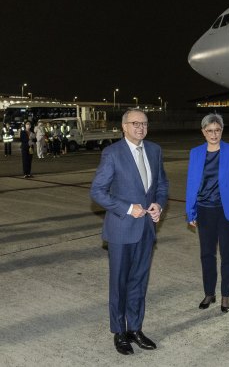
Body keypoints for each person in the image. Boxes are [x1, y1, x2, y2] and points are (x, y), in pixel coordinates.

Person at [90, 108, 169, 356]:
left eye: (144, 123)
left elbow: (162, 184)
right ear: (124, 127)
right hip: (121, 230)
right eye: (135, 123)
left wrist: (158, 204)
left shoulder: (154, 151)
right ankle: (119, 332)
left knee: (138, 282)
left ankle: (135, 328)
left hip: (146, 229)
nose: (140, 128)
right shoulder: (112, 153)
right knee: (119, 283)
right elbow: (98, 191)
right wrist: (127, 208)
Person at [186, 113, 229, 313]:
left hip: (226, 209)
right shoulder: (195, 153)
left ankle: (225, 295)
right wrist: (190, 210)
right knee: (207, 254)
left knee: (227, 254)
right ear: (203, 132)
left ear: (222, 131)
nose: (214, 134)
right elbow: (191, 183)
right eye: (210, 130)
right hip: (204, 210)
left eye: (217, 130)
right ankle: (209, 293)